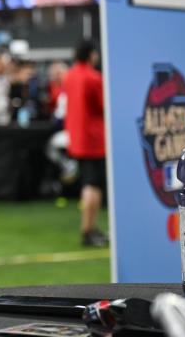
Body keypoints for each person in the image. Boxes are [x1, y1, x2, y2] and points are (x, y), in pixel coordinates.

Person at [62, 40, 107, 247]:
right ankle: (89, 230)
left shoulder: (69, 76)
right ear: (91, 54)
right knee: (93, 185)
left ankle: (89, 228)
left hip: (77, 138)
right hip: (94, 139)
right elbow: (102, 106)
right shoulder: (93, 77)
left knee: (88, 184)